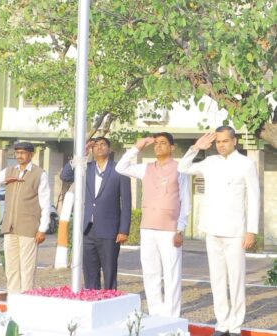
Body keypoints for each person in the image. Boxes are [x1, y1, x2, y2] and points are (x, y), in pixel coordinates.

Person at [178, 126, 260, 336]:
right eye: (218, 142)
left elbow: (254, 198)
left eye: (225, 141)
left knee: (236, 280)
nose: (221, 145)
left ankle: (235, 326)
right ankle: (222, 323)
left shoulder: (246, 164)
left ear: (234, 141)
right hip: (212, 229)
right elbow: (183, 167)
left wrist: (251, 230)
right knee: (217, 279)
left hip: (235, 232)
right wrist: (196, 147)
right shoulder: (209, 162)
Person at [115, 132, 190, 317]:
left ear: (172, 147)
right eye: (155, 143)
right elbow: (121, 167)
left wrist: (180, 229)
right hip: (148, 228)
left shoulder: (180, 169)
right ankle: (156, 314)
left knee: (171, 275)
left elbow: (185, 201)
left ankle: (172, 317)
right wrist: (137, 147)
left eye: (163, 143)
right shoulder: (146, 168)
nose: (158, 146)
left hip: (170, 230)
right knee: (150, 273)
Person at [61, 136, 131, 289]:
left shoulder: (119, 169)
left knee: (109, 271)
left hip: (109, 231)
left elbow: (126, 203)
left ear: (109, 149)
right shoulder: (86, 167)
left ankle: (110, 301)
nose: (99, 147)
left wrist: (124, 230)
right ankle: (93, 300)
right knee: (90, 272)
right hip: (87, 229)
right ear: (92, 150)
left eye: (103, 144)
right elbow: (65, 176)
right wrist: (81, 154)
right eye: (96, 145)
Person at [0, 140, 51, 293]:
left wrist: (42, 229)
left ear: (31, 154)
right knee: (11, 268)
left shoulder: (39, 174)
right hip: (10, 227)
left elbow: (45, 204)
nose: (19, 156)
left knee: (27, 269)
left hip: (29, 228)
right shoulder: (9, 171)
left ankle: (26, 300)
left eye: (22, 153)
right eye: (17, 153)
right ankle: (13, 301)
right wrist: (4, 180)